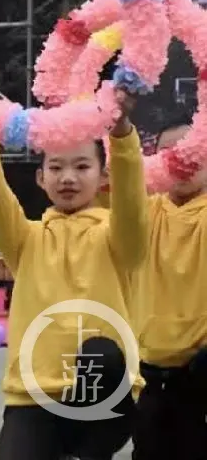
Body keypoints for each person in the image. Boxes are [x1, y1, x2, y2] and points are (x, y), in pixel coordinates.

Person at [0, 82, 147, 460]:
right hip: (35, 397)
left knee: (102, 353)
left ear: (103, 176)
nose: (68, 177)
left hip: (103, 399)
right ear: (40, 179)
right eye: (55, 167)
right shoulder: (25, 240)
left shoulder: (120, 238)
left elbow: (132, 204)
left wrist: (122, 135)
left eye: (82, 166)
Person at [130, 113, 207, 460]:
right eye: (168, 153)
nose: (180, 161)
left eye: (191, 152)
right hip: (150, 372)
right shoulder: (140, 213)